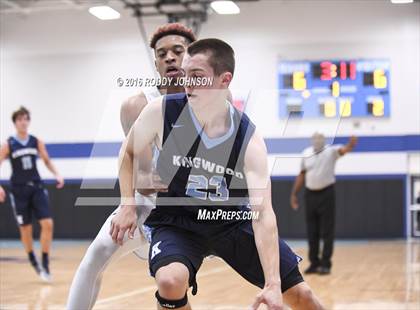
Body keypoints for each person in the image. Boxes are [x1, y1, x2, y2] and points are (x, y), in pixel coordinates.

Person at [111, 38, 324, 310]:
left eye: (197, 76)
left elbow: (263, 212)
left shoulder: (247, 137)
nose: (187, 82)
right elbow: (127, 151)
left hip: (231, 221)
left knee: (303, 296)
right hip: (178, 221)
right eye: (185, 74)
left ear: (225, 80)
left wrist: (272, 283)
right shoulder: (162, 111)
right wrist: (127, 204)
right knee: (169, 281)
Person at [66, 23, 196, 310]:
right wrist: (127, 206)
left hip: (193, 210)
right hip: (148, 206)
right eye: (162, 54)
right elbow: (144, 177)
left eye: (178, 51)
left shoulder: (209, 104)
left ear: (193, 57)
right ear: (156, 63)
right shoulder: (136, 105)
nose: (170, 58)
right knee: (95, 257)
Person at [0, 106, 64, 282]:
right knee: (26, 229)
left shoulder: (36, 141)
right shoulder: (9, 144)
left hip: (36, 187)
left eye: (26, 118)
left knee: (48, 223)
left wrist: (57, 174)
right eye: (20, 119)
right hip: (19, 191)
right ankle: (32, 258)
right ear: (15, 122)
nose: (23, 122)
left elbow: (46, 160)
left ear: (28, 121)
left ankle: (44, 260)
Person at [290, 132, 357, 275]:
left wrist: (351, 144)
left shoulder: (331, 151)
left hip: (327, 193)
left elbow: (343, 150)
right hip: (310, 194)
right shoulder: (306, 153)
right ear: (311, 140)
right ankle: (314, 263)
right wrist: (294, 193)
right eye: (314, 138)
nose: (317, 140)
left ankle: (326, 264)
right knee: (312, 230)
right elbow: (302, 174)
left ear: (324, 140)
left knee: (327, 230)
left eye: (320, 138)